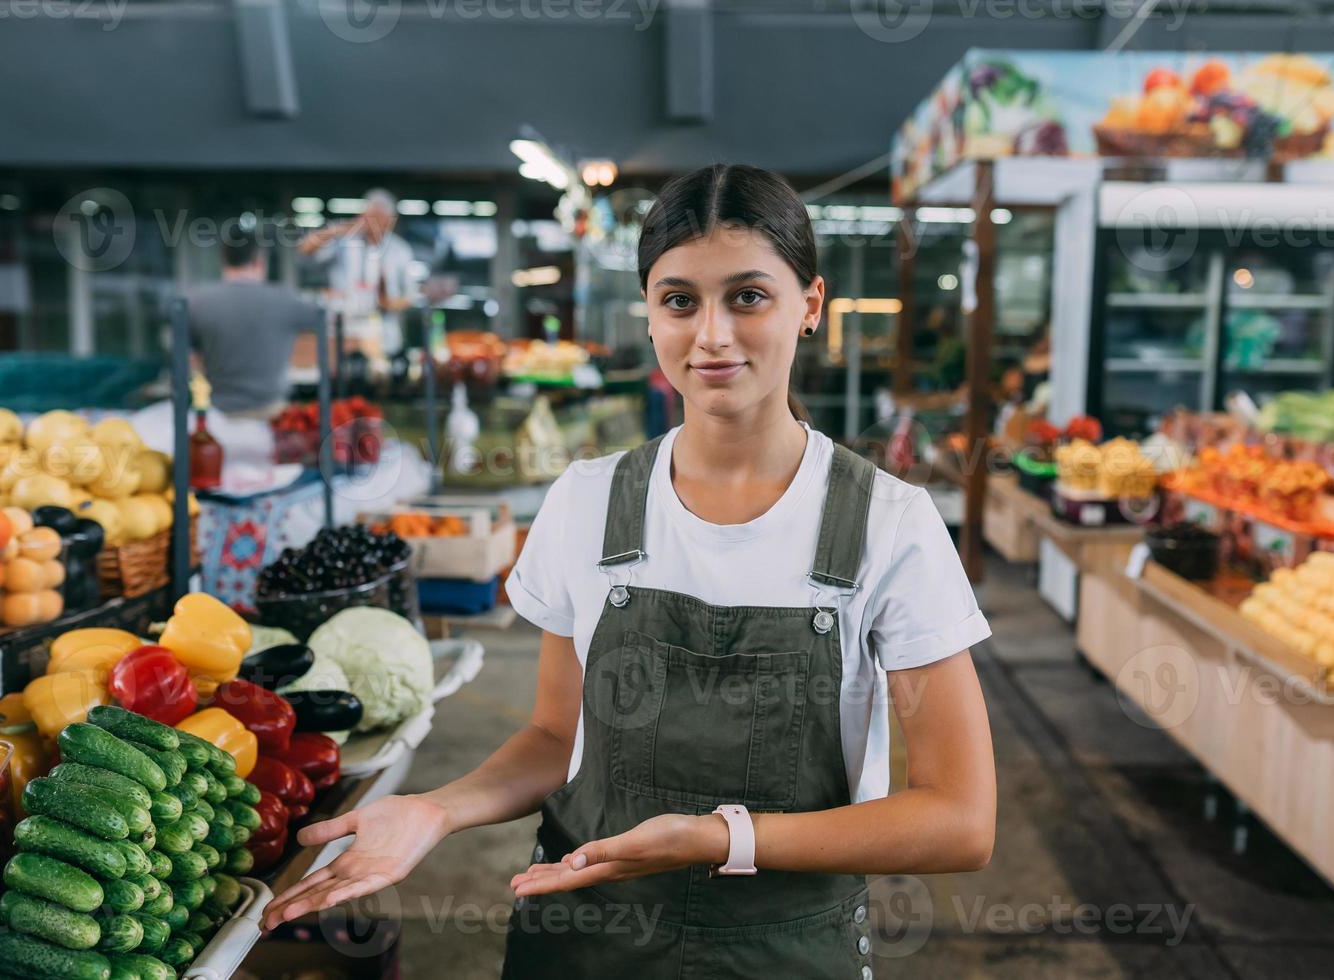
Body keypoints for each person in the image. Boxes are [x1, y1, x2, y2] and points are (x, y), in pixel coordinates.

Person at [261, 165, 997, 978]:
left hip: (785, 952)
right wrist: (436, 810)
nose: (710, 334)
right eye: (679, 300)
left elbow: (959, 819)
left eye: (747, 296)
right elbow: (554, 735)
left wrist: (723, 837)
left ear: (810, 305)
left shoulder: (887, 524)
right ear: (648, 312)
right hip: (584, 940)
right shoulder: (586, 502)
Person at [186, 231, 319, 421]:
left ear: (224, 259)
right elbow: (329, 323)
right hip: (273, 417)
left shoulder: (197, 302)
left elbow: (188, 358)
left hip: (217, 417)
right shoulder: (285, 300)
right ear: (259, 260)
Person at [297, 187, 415, 358]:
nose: (373, 224)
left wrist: (388, 302)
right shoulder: (345, 241)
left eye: (379, 219)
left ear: (390, 221)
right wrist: (338, 228)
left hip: (382, 334)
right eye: (370, 217)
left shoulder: (400, 250)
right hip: (343, 332)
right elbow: (305, 249)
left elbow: (410, 296)